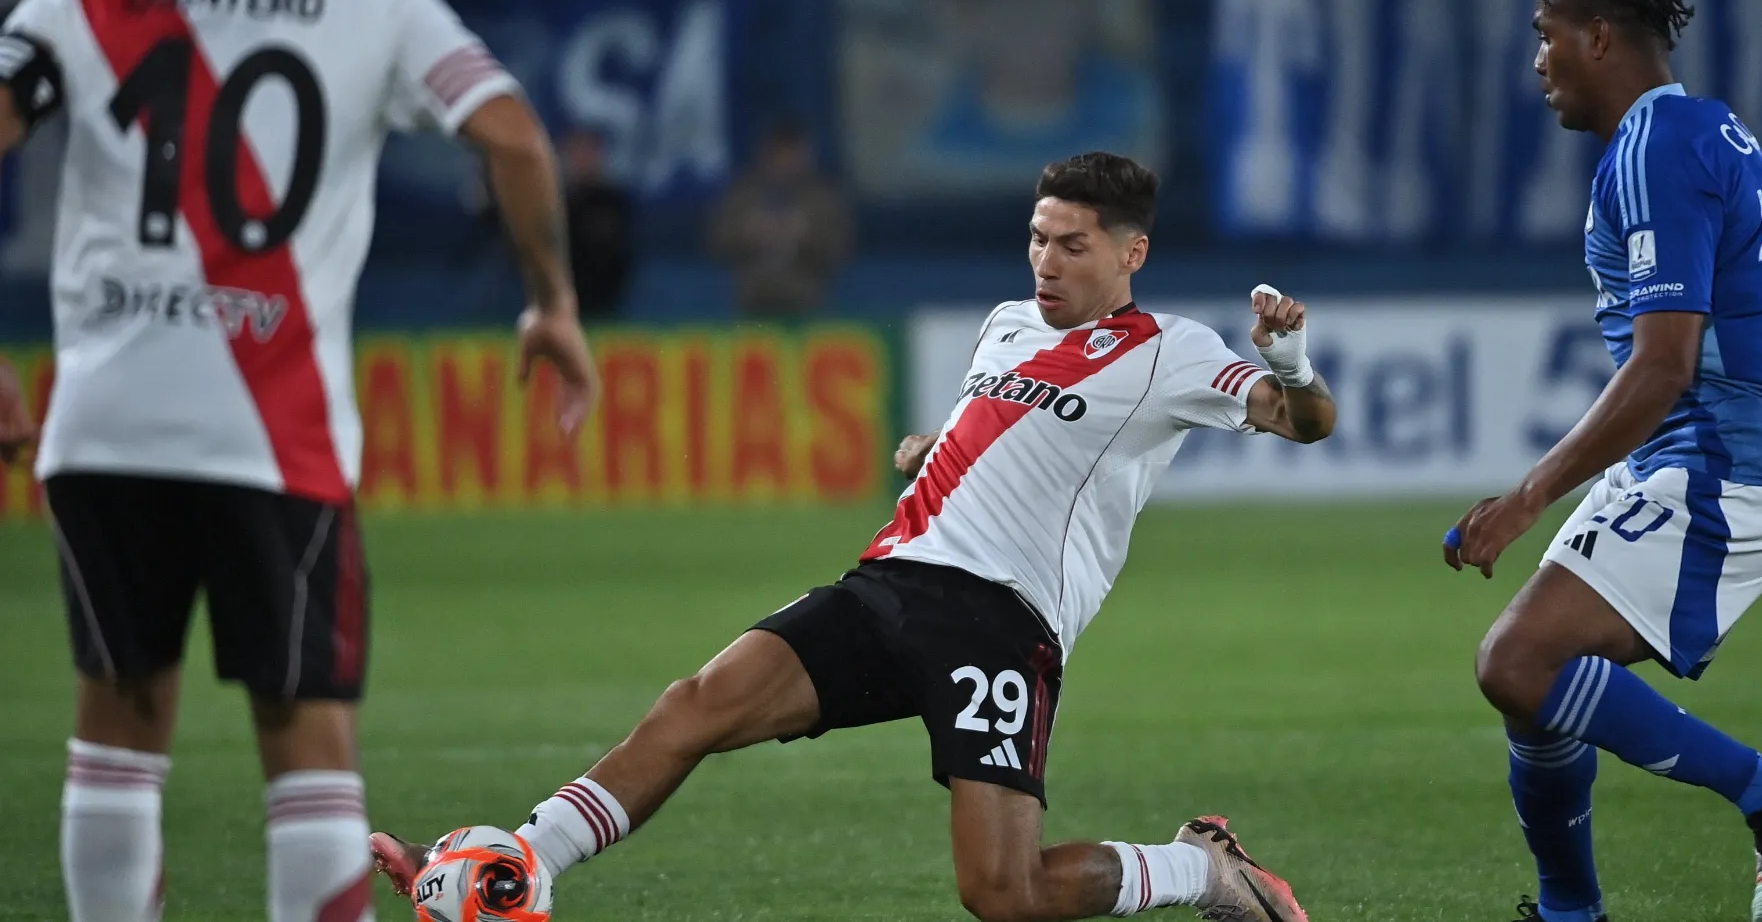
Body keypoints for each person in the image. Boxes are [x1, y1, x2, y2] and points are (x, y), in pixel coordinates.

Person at [374, 151, 1339, 922]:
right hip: (890, 583)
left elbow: (1305, 421)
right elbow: (997, 431)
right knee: (693, 705)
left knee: (1003, 894)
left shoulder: (1171, 351)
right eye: (1039, 238)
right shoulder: (1006, 324)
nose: (1046, 261)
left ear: (1131, 253)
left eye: (1074, 245)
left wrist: (1289, 361)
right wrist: (934, 446)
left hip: (998, 626)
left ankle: (1198, 868)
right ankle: (514, 864)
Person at [0, 0, 597, 920]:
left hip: (104, 422)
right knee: (305, 737)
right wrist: (550, 299)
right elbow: (509, 131)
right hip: (270, 431)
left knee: (118, 729)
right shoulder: (376, 0)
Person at [1445, 0, 1762, 922]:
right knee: (1533, 679)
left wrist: (1528, 497)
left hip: (1718, 467)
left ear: (1598, 35)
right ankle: (1568, 910)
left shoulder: (1650, 150)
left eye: (1545, 37)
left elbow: (1663, 365)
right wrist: (1760, 391)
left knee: (1515, 661)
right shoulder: (1717, 130)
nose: (1538, 60)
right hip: (1712, 451)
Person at [707, 120, 851, 318]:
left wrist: (802, 236)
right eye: (781, 153)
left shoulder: (823, 200)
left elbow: (838, 250)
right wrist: (750, 233)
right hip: (751, 304)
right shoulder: (743, 195)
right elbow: (717, 242)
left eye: (794, 153)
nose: (787, 161)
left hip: (807, 305)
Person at [558, 127, 637, 319]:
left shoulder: (614, 201)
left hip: (608, 298)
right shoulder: (556, 202)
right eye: (577, 152)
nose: (583, 159)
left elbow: (625, 251)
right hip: (562, 297)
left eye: (589, 151)